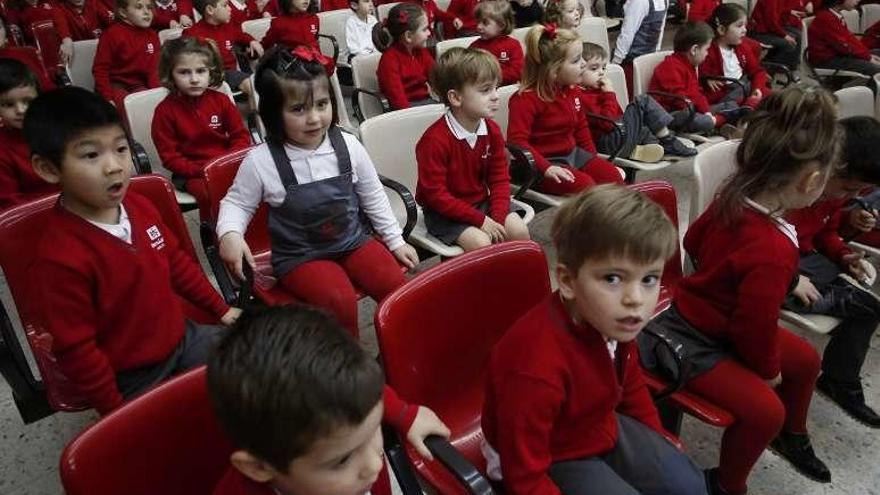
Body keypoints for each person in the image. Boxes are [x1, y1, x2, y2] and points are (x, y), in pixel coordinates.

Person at [643, 87, 839, 495]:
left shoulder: (736, 194)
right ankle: (728, 485)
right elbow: (754, 326)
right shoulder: (773, 247)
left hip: (717, 321)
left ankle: (793, 434)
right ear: (813, 180)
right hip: (694, 337)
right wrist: (767, 372)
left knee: (804, 360)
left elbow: (694, 241)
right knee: (765, 411)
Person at [26, 86, 241, 415]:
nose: (114, 166)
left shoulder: (139, 206)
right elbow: (78, 349)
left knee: (252, 367)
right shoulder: (59, 257)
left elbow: (177, 265)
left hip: (182, 338)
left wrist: (221, 310)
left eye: (121, 149)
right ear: (48, 169)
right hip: (132, 375)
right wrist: (116, 414)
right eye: (91, 155)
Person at [481, 184, 708, 495]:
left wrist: (657, 446)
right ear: (568, 280)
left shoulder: (612, 320)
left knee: (688, 484)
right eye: (613, 278)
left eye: (649, 279)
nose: (636, 300)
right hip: (549, 456)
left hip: (594, 425)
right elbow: (522, 476)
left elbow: (629, 385)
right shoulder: (535, 367)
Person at [216, 47, 419, 337]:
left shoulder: (347, 144)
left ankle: (402, 350)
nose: (314, 118)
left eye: (322, 104)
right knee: (339, 300)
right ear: (274, 113)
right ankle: (348, 366)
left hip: (353, 240)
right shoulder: (262, 161)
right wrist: (230, 234)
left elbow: (373, 193)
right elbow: (236, 203)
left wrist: (395, 241)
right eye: (299, 109)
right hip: (301, 256)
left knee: (396, 286)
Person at [208, 305, 452, 495]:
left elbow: (363, 394)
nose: (375, 465)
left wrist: (402, 414)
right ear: (259, 468)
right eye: (343, 460)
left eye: (375, 427)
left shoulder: (346, 441)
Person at [783, 115, 880, 429]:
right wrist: (794, 277)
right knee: (850, 302)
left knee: (868, 308)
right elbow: (757, 243)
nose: (848, 197)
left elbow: (823, 233)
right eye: (849, 188)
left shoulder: (831, 193)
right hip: (780, 264)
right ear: (831, 166)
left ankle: (840, 380)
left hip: (805, 260)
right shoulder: (791, 190)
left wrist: (844, 255)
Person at [416, 47, 530, 251]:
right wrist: (481, 221)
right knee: (482, 243)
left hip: (480, 202)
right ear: (456, 98)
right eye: (486, 90)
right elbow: (436, 196)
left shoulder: (491, 129)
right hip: (444, 213)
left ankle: (516, 279)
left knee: (518, 230)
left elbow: (499, 178)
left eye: (496, 87)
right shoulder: (434, 140)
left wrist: (497, 217)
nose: (496, 96)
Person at [507, 24, 623, 197]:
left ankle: (616, 222)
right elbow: (517, 142)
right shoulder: (524, 100)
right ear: (553, 71)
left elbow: (581, 129)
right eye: (576, 60)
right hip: (541, 165)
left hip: (572, 155)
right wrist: (546, 168)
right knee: (588, 188)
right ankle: (594, 222)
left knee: (613, 177)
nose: (584, 64)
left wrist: (592, 159)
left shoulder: (572, 91)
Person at [151, 37, 252, 205]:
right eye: (184, 72)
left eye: (201, 71)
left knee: (257, 183)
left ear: (210, 72)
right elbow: (170, 157)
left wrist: (228, 163)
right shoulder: (164, 111)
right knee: (211, 194)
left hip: (225, 163)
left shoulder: (221, 100)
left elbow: (240, 136)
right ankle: (214, 230)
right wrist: (203, 170)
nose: (194, 79)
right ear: (170, 75)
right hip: (191, 174)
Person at [578, 41, 697, 163]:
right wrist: (609, 94)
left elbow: (618, 115)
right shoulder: (581, 97)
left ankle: (648, 148)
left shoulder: (597, 90)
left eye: (603, 68)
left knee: (646, 128)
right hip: (607, 145)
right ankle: (668, 142)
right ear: (578, 70)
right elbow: (609, 124)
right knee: (643, 101)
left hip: (618, 136)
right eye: (594, 68)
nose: (601, 72)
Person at [649, 21, 750, 136]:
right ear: (694, 50)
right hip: (670, 115)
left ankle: (718, 124)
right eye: (706, 49)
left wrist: (706, 111)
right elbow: (679, 100)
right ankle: (718, 123)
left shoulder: (689, 65)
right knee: (697, 119)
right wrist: (705, 114)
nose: (707, 54)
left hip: (690, 109)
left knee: (730, 105)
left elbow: (696, 94)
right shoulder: (669, 67)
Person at [0, 59, 56, 209]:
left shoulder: (56, 130)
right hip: (33, 217)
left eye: (28, 102)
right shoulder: (2, 150)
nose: (20, 110)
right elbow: (10, 205)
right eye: (8, 104)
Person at [185, 0, 265, 98]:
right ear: (210, 10)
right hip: (213, 76)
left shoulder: (228, 26)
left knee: (262, 82)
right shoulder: (192, 34)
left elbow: (240, 35)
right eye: (225, 5)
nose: (230, 9)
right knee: (251, 85)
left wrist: (251, 41)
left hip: (233, 74)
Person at [92, 0, 161, 112]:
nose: (146, 12)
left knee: (150, 105)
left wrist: (158, 94)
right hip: (114, 85)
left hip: (138, 85)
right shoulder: (111, 34)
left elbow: (153, 70)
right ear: (123, 13)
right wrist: (107, 98)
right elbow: (100, 70)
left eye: (149, 7)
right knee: (127, 108)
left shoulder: (152, 35)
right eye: (139, 7)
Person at [703, 4, 770, 110]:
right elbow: (697, 75)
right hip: (725, 97)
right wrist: (705, 79)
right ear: (721, 29)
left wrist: (757, 88)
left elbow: (757, 71)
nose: (745, 30)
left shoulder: (742, 46)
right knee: (740, 102)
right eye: (739, 26)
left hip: (743, 88)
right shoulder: (708, 51)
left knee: (771, 97)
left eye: (745, 26)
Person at [373, 3, 436, 109]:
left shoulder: (421, 52)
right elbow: (397, 99)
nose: (429, 33)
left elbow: (437, 78)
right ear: (408, 36)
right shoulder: (389, 60)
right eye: (424, 29)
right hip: (404, 110)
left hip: (425, 102)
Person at [807, 0, 880, 77]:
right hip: (828, 60)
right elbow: (844, 46)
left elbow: (849, 39)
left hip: (839, 54)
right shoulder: (826, 18)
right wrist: (868, 58)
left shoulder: (835, 15)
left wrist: (868, 55)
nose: (858, 0)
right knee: (876, 69)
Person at [612, 0, 666, 93]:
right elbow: (660, 29)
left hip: (631, 60)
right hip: (647, 57)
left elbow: (627, 33)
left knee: (628, 92)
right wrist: (656, 52)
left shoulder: (639, 2)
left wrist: (616, 61)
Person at [470, 0, 523, 86]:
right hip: (482, 91)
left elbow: (517, 71)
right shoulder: (474, 46)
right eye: (478, 22)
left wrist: (489, 76)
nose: (478, 27)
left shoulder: (513, 45)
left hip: (506, 91)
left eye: (485, 23)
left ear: (501, 25)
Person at [749, 0, 800, 71]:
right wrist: (785, 35)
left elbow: (777, 11)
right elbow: (771, 23)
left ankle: (790, 68)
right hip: (759, 33)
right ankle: (769, 70)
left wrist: (790, 11)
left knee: (796, 36)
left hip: (767, 30)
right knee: (789, 43)